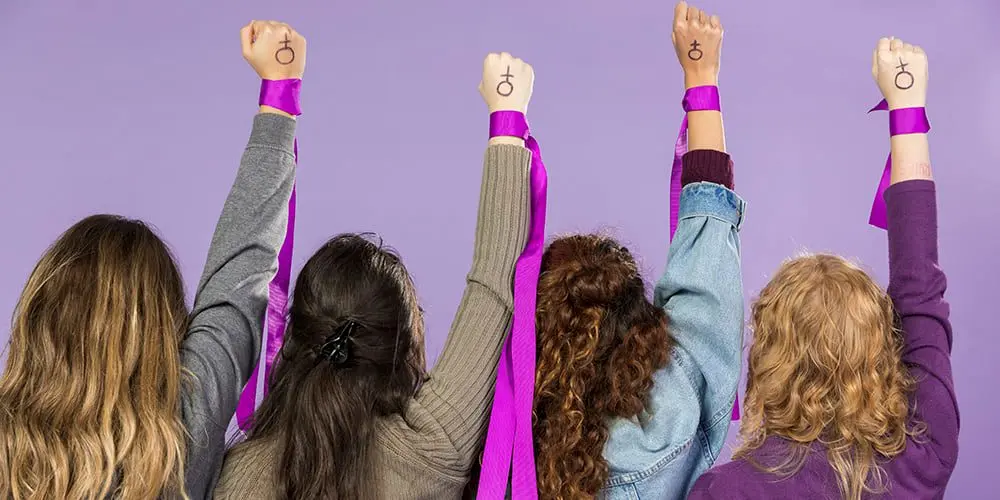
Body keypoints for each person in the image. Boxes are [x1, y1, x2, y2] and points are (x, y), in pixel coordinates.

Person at [0, 20, 304, 500]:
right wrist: (280, 92)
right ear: (163, 326)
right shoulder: (179, 436)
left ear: (40, 317)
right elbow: (238, 282)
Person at [212, 52, 535, 500]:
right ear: (400, 345)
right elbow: (493, 287)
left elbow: (232, 285)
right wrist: (507, 117)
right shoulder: (428, 449)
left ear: (293, 336)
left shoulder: (235, 478)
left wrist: (278, 98)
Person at [688, 37, 959, 500]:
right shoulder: (923, 458)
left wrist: (699, 83)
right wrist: (908, 109)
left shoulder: (726, 490)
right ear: (882, 353)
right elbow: (921, 296)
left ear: (768, 355)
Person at [527, 3, 745, 498]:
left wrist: (505, 127)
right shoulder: (676, 411)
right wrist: (701, 78)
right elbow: (708, 273)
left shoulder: (508, 441)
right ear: (639, 326)